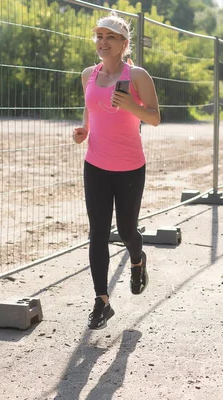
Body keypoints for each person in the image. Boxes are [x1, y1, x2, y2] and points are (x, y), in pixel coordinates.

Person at [73, 13, 160, 330]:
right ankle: (101, 301)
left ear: (124, 43)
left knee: (126, 231)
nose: (102, 42)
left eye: (110, 37)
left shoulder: (138, 76)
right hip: (95, 164)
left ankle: (138, 261)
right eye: (98, 36)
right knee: (97, 232)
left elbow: (154, 118)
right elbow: (90, 109)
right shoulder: (88, 74)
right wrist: (83, 130)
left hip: (129, 168)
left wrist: (130, 106)